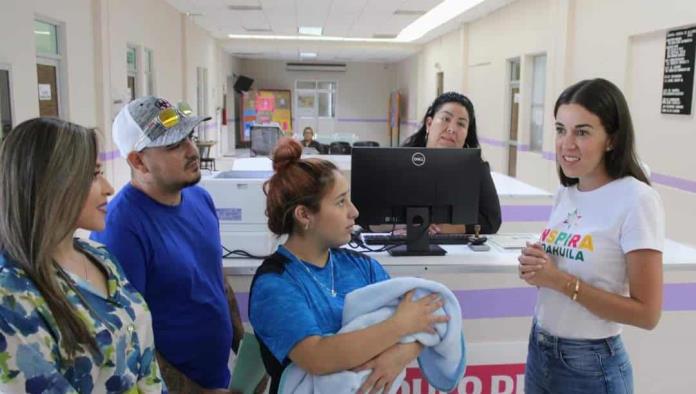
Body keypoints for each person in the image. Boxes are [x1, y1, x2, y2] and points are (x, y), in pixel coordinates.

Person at [249, 138, 449, 393]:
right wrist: (399, 326)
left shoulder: (361, 266)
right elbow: (318, 358)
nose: (354, 212)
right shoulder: (275, 284)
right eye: (341, 202)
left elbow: (423, 319)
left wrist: (400, 355)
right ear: (304, 215)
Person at [518, 78, 664, 393]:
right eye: (560, 130)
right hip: (540, 348)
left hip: (590, 365)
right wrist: (537, 267)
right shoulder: (566, 192)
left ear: (611, 139)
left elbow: (647, 314)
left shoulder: (637, 199)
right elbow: (564, 267)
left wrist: (558, 281)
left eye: (582, 132)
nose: (566, 144)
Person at [91, 96, 245, 393]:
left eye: (189, 137)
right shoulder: (120, 227)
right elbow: (129, 338)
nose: (192, 150)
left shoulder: (200, 199)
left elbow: (217, 280)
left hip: (218, 379)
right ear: (137, 161)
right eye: (174, 145)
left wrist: (245, 347)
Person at [0, 118, 164, 392]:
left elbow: (145, 364)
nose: (109, 187)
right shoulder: (12, 297)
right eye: (92, 175)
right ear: (49, 184)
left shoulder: (100, 257)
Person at [402, 91, 501, 234]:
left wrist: (443, 229)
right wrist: (404, 226)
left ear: (467, 133)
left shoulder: (476, 168)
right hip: (402, 244)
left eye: (461, 124)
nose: (452, 129)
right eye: (445, 119)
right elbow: (369, 218)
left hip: (456, 251)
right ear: (429, 124)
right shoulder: (401, 161)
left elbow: (492, 221)